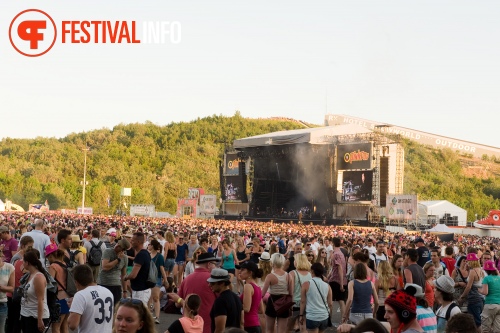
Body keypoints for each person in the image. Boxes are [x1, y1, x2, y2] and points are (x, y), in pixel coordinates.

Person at [168, 252, 221, 333]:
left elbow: (177, 304)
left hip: (187, 326)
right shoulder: (213, 281)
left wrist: (179, 300)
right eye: (215, 264)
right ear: (209, 264)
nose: (216, 266)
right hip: (207, 326)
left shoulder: (186, 279)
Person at [68, 264, 115, 333]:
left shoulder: (81, 295)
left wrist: (73, 308)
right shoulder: (108, 292)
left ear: (76, 282)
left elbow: (72, 325)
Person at [19, 250, 50, 333]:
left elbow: (41, 299)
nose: (22, 263)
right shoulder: (29, 275)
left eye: (23, 261)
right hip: (26, 314)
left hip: (35, 316)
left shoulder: (38, 277)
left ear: (27, 263)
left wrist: (40, 319)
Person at [261, 253, 292, 333]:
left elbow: (262, 293)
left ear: (272, 262)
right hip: (284, 303)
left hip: (272, 302)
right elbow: (291, 294)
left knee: (269, 329)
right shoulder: (288, 276)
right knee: (282, 330)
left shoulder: (270, 276)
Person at [299, 263, 332, 333]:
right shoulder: (327, 286)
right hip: (324, 316)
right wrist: (330, 315)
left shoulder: (306, 284)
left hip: (312, 316)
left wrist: (301, 315)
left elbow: (302, 301)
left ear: (312, 271)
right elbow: (330, 304)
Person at [207, 268, 243, 333]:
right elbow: (242, 323)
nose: (209, 285)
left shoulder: (220, 301)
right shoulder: (236, 297)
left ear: (222, 283)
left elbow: (220, 329)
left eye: (212, 283)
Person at [45, 243, 70, 333]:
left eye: (47, 256)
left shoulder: (53, 266)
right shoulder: (64, 263)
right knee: (65, 327)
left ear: (51, 256)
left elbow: (50, 284)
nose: (47, 259)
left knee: (56, 328)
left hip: (58, 298)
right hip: (67, 296)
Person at [98, 237, 130, 304]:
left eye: (119, 246)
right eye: (117, 243)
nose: (116, 245)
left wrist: (124, 291)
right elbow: (105, 267)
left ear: (123, 249)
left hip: (116, 285)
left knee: (115, 307)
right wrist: (118, 260)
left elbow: (123, 275)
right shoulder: (108, 251)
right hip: (103, 283)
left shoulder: (125, 258)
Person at [124, 232, 152, 306]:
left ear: (138, 242)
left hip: (141, 291)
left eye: (133, 240)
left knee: (140, 314)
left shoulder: (141, 255)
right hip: (142, 289)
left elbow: (133, 275)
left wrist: (125, 277)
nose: (131, 241)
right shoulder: (145, 253)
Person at [237, 261, 264, 333]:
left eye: (243, 270)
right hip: (255, 324)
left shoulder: (248, 286)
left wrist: (234, 304)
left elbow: (246, 308)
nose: (240, 272)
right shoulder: (257, 287)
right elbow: (261, 310)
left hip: (248, 325)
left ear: (250, 273)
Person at [459, 252, 484, 330]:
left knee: (476, 322)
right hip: (480, 298)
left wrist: (462, 297)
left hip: (473, 299)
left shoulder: (473, 271)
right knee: (478, 320)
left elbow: (468, 287)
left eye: (468, 261)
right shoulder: (480, 270)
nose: (467, 263)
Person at [288, 253, 311, 333]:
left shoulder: (293, 273)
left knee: (288, 327)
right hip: (306, 303)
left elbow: (290, 290)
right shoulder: (310, 274)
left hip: (294, 303)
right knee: (304, 326)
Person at [148, 238, 168, 324]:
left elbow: (162, 269)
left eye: (149, 244)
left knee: (155, 297)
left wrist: (166, 279)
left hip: (157, 278)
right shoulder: (148, 255)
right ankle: (148, 316)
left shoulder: (159, 256)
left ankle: (157, 317)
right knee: (148, 298)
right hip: (148, 278)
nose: (148, 245)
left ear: (152, 246)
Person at [328, 237, 348, 321]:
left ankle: (329, 319)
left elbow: (339, 268)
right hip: (341, 279)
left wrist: (340, 284)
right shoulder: (341, 253)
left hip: (335, 280)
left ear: (333, 243)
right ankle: (343, 320)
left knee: (330, 301)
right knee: (341, 300)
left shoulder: (336, 254)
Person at [479, 260, 500, 333]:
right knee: (497, 329)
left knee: (485, 329)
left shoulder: (486, 278)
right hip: (499, 305)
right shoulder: (499, 277)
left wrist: (479, 290)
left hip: (490, 304)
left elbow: (485, 292)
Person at [0, 249, 14, 333]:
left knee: (1, 330)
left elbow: (12, 288)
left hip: (2, 303)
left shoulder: (9, 267)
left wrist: (1, 287)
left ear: (1, 256)